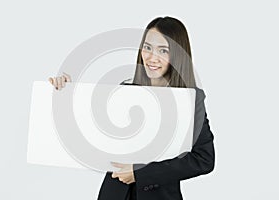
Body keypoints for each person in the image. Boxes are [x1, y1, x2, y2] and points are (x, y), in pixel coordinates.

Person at [49, 16, 215, 200]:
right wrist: (66, 91)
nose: (152, 57)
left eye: (163, 50)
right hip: (114, 194)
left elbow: (204, 159)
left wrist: (140, 173)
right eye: (147, 47)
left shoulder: (190, 100)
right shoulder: (125, 91)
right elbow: (92, 130)